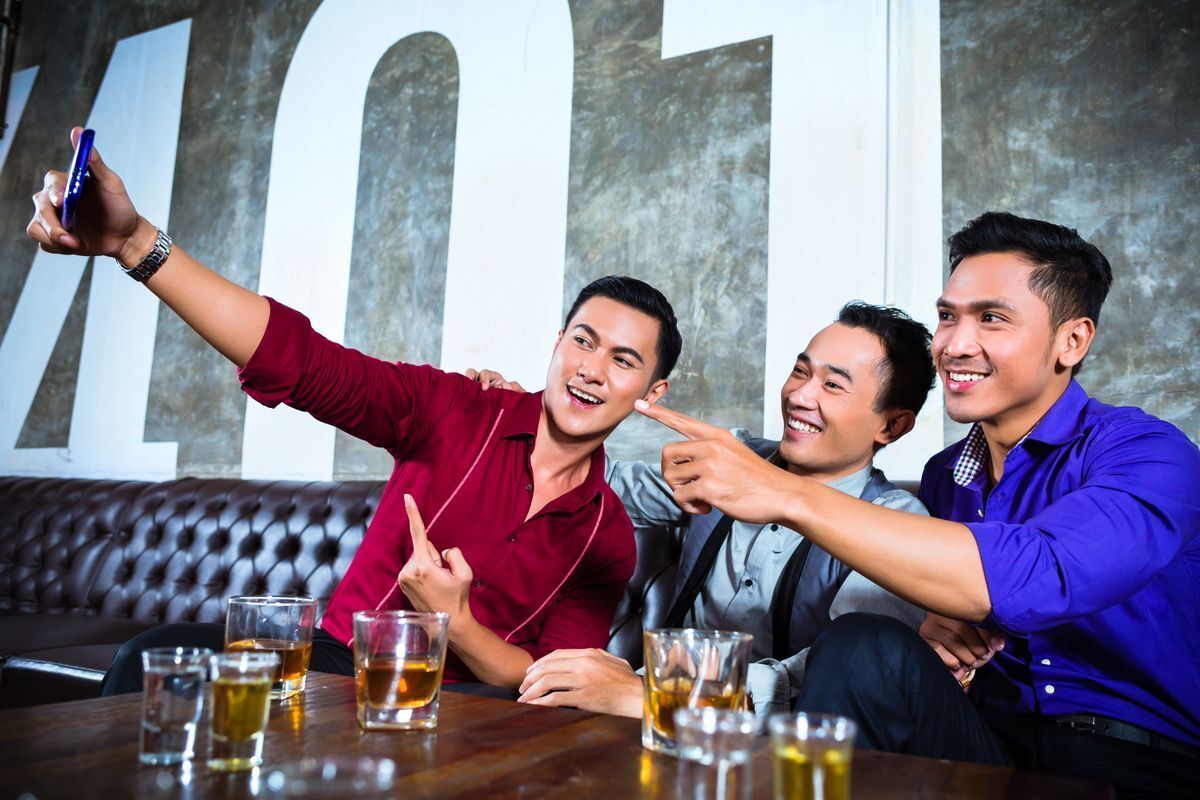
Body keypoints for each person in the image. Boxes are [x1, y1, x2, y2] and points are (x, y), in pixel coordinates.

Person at [26, 127, 683, 696]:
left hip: (471, 710)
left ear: (651, 393)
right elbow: (303, 362)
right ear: (558, 343)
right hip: (339, 664)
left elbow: (547, 676)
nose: (592, 370)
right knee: (152, 655)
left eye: (624, 361)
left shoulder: (607, 537)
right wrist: (135, 242)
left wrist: (455, 621)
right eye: (583, 341)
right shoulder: (455, 407)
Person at [632, 212, 1200, 797]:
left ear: (1072, 340)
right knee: (864, 641)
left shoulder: (1151, 455)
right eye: (948, 317)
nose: (955, 345)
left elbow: (1043, 570)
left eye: (992, 319)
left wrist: (780, 491)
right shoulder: (946, 477)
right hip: (988, 747)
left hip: (1136, 759)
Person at [469, 302, 937, 719]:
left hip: (770, 740)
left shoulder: (899, 525)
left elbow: (835, 678)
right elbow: (596, 485)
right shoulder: (730, 460)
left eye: (833, 385)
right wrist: (526, 415)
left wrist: (652, 695)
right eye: (800, 371)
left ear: (892, 426)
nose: (800, 396)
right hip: (637, 708)